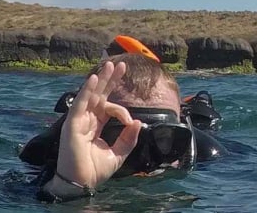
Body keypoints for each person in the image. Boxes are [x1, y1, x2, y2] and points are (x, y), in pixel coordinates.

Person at [19, 37, 223, 202]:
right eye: (118, 133)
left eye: (164, 138)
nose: (143, 160)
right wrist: (69, 186)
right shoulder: (43, 152)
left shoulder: (209, 154)